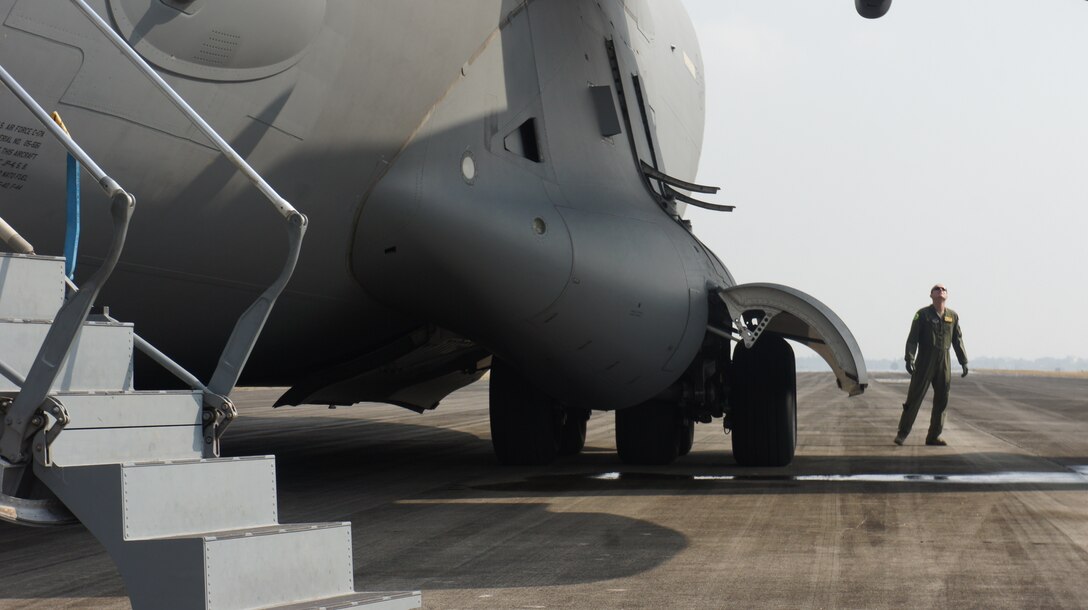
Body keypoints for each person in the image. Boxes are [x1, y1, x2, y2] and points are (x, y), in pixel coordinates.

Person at [895, 283, 968, 446]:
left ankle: (934, 436)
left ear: (946, 295)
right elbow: (913, 338)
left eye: (943, 289)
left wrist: (963, 361)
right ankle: (902, 433)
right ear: (931, 295)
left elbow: (958, 340)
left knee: (942, 399)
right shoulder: (922, 315)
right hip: (925, 360)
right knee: (914, 397)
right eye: (937, 289)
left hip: (944, 361)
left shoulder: (953, 316)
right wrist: (910, 358)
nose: (940, 291)